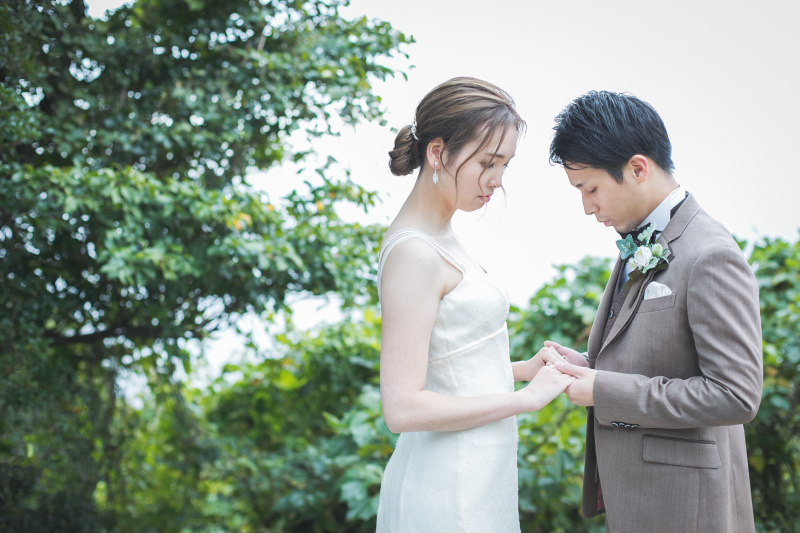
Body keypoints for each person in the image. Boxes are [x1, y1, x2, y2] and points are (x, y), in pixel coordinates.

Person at [546, 90, 763, 533]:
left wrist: (603, 390)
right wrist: (587, 367)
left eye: (590, 189)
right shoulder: (639, 238)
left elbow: (736, 395)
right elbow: (658, 358)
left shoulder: (710, 254)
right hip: (638, 503)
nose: (587, 207)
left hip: (688, 510)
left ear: (638, 168)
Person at [375, 77, 574, 532]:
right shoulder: (415, 252)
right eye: (488, 162)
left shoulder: (440, 236)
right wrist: (523, 400)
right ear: (438, 153)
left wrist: (522, 368)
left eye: (504, 165)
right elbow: (402, 408)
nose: (497, 182)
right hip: (450, 485)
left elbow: (451, 362)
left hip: (481, 474)